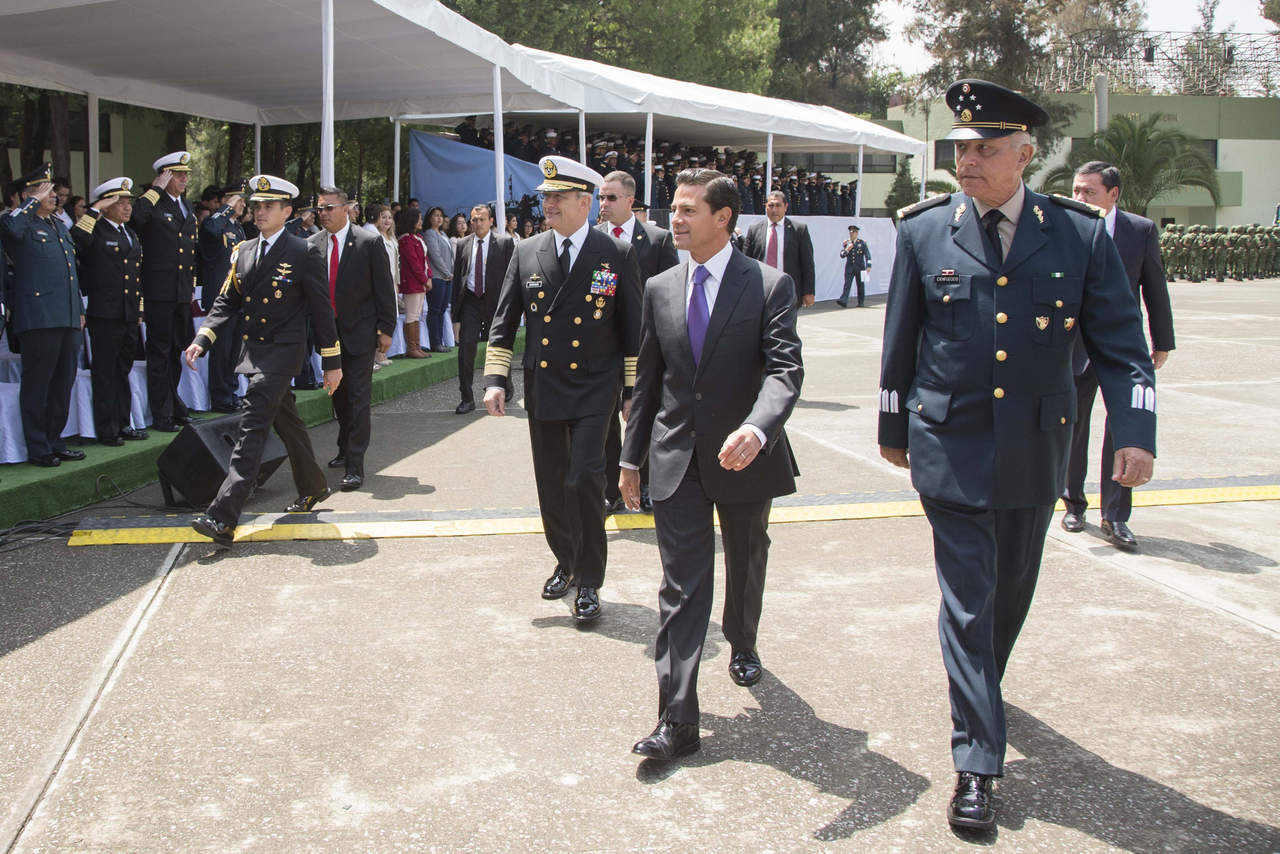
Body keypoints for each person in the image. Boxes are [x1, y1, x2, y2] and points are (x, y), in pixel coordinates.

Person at [878, 79, 1157, 831]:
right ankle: (976, 763)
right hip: (950, 443)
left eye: (985, 149)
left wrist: (1133, 432)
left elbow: (1124, 351)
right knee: (968, 601)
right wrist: (893, 427)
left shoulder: (1078, 234)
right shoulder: (923, 230)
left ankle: (980, 695)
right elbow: (899, 342)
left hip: (1037, 443)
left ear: (1025, 154)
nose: (966, 162)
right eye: (961, 149)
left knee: (1010, 592)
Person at [622, 168, 802, 761]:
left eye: (688, 210)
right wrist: (630, 459)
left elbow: (783, 371)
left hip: (744, 452)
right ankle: (677, 721)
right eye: (673, 209)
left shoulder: (768, 286)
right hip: (677, 458)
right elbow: (648, 383)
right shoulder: (660, 287)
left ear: (722, 218)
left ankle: (742, 641)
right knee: (680, 587)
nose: (675, 219)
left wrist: (757, 426)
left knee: (747, 558)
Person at [482, 155, 643, 622]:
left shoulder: (614, 253)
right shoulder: (527, 249)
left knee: (584, 478)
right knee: (553, 484)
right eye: (545, 196)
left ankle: (590, 578)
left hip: (596, 384)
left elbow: (633, 329)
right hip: (546, 382)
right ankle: (567, 561)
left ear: (584, 202)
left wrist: (632, 391)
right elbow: (504, 319)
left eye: (557, 197)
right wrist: (495, 378)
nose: (548, 204)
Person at [183, 175, 342, 546]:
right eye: (256, 206)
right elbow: (227, 301)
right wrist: (202, 338)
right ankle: (314, 486)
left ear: (287, 212)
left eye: (268, 206)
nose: (259, 212)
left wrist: (331, 361)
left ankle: (223, 517)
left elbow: (322, 311)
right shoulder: (244, 250)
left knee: (252, 426)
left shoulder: (303, 252)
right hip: (254, 351)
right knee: (285, 419)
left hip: (284, 353)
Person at [1061, 161, 1175, 548]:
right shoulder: (1067, 226)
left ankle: (1115, 516)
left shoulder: (1139, 231)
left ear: (1114, 194)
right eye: (1076, 190)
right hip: (1073, 346)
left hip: (1121, 349)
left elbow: (1154, 287)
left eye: (1089, 192)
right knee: (1072, 427)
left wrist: (1162, 342)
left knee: (1124, 431)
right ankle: (1073, 503)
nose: (1080, 198)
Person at [596, 170, 679, 513]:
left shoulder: (657, 240)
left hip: (645, 346)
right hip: (603, 347)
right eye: (601, 197)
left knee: (642, 414)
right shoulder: (592, 237)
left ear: (631, 201)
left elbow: (673, 291)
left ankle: (644, 484)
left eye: (611, 198)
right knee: (603, 422)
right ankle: (611, 490)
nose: (604, 204)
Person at [309, 186, 396, 492]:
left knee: (359, 397)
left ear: (345, 209)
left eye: (329, 208)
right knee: (340, 396)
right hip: (328, 335)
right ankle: (345, 446)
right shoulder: (313, 244)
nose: (323, 213)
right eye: (319, 208)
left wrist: (386, 329)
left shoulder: (368, 242)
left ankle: (355, 465)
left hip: (360, 332)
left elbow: (384, 288)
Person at [0, 164, 87, 467]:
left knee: (63, 382)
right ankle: (38, 447)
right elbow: (10, 230)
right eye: (44, 191)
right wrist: (30, 203)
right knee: (39, 383)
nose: (52, 196)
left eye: (51, 191)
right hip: (39, 316)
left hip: (66, 316)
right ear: (27, 196)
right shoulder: (18, 224)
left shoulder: (58, 226)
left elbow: (70, 273)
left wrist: (79, 309)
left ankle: (54, 439)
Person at [72, 176, 148, 446]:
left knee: (122, 370)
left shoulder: (129, 233)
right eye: (120, 202)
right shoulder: (95, 229)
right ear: (106, 206)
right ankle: (107, 429)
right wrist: (94, 209)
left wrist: (139, 310)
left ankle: (124, 422)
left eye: (129, 202)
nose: (127, 207)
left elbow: (136, 275)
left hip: (127, 314)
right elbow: (77, 237)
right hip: (105, 314)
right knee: (105, 373)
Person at [132, 150, 199, 431]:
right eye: (177, 174)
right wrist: (155, 190)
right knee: (159, 353)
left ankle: (174, 404)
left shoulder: (185, 206)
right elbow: (135, 219)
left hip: (181, 291)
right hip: (159, 291)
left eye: (185, 174)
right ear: (164, 176)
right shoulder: (153, 204)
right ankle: (162, 413)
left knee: (175, 351)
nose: (183, 179)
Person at [451, 203, 514, 414]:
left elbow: (512, 276)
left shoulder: (505, 243)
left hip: (495, 301)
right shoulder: (462, 244)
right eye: (474, 220)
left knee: (498, 346)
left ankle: (504, 384)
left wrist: (512, 306)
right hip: (471, 301)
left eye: (482, 219)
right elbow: (458, 279)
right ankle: (466, 398)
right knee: (466, 350)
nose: (477, 224)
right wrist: (455, 315)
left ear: (491, 221)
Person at [199, 180, 249, 412]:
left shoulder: (237, 228)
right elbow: (209, 230)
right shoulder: (215, 224)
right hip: (221, 298)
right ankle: (220, 397)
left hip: (237, 297)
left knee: (233, 350)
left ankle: (230, 392)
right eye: (239, 200)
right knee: (221, 350)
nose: (243, 205)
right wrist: (226, 208)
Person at [743, 191, 815, 308]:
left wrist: (809, 292)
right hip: (760, 290)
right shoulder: (754, 229)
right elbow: (745, 262)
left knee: (786, 326)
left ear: (785, 207)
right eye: (771, 205)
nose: (774, 210)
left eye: (778, 205)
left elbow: (807, 264)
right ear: (766, 207)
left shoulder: (799, 230)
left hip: (788, 290)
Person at [395, 208, 432, 359]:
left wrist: (428, 277)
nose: (421, 221)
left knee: (417, 314)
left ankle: (416, 346)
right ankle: (412, 347)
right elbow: (414, 263)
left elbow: (425, 260)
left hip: (420, 283)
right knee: (411, 315)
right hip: (412, 283)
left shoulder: (416, 238)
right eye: (419, 219)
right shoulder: (405, 240)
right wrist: (424, 280)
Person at [368, 203, 398, 371]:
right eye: (383, 217)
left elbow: (395, 264)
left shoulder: (391, 237)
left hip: (391, 283)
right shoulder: (373, 237)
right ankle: (374, 355)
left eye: (389, 217)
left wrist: (397, 283)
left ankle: (382, 354)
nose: (387, 221)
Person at [422, 207, 454, 353]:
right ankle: (435, 342)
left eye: (441, 216)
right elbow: (435, 256)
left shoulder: (442, 233)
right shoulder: (429, 234)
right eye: (435, 216)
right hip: (437, 277)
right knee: (435, 310)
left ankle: (440, 340)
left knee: (442, 310)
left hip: (447, 277)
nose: (439, 218)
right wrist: (447, 272)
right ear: (429, 218)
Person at [838, 224, 871, 307]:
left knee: (860, 285)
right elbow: (842, 255)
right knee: (847, 284)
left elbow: (868, 255)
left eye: (853, 232)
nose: (851, 234)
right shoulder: (846, 243)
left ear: (857, 233)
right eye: (850, 232)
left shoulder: (862, 243)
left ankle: (861, 302)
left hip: (860, 267)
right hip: (850, 266)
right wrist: (847, 249)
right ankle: (843, 300)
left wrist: (868, 265)